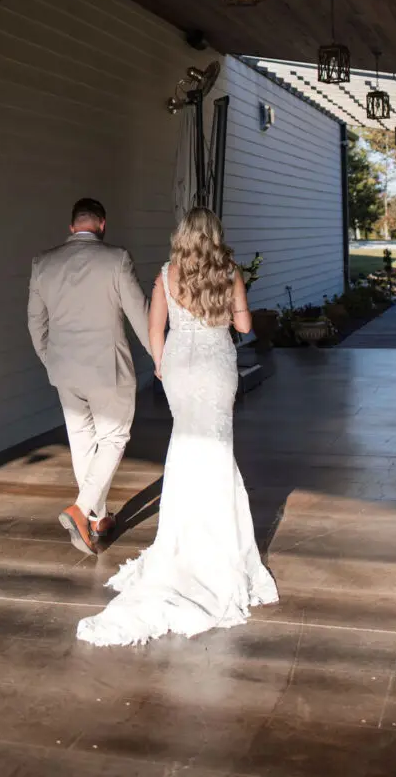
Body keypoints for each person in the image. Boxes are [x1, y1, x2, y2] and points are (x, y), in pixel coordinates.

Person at [77, 206, 279, 646]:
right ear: (215, 235)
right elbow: (243, 325)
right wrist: (231, 306)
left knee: (184, 446)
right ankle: (218, 546)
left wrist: (162, 366)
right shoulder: (229, 272)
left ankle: (181, 543)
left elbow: (154, 329)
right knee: (215, 449)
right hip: (216, 364)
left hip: (180, 368)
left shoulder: (166, 274)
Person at [28, 198, 151, 555]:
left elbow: (36, 322)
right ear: (102, 224)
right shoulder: (116, 259)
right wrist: (161, 358)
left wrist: (50, 360)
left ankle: (98, 519)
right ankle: (81, 511)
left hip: (64, 369)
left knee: (81, 441)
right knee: (113, 437)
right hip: (107, 369)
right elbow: (139, 315)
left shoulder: (43, 264)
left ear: (72, 227)